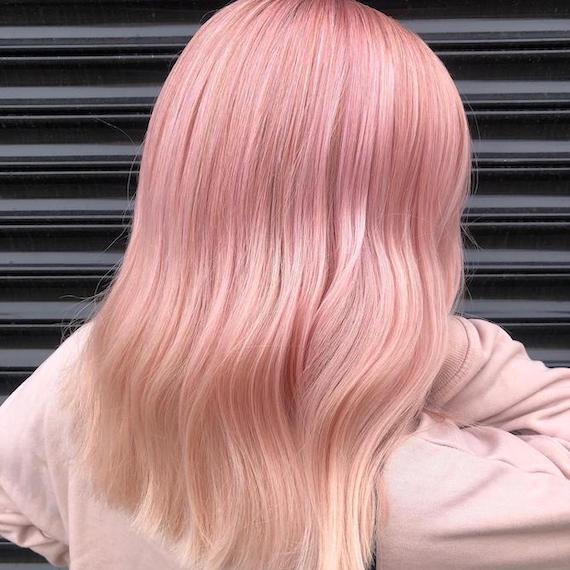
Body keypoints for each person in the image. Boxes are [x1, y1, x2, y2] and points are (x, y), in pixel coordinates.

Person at [0, 0, 569, 568]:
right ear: (410, 226)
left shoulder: (87, 375)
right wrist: (443, 347)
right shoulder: (416, 502)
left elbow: (12, 499)